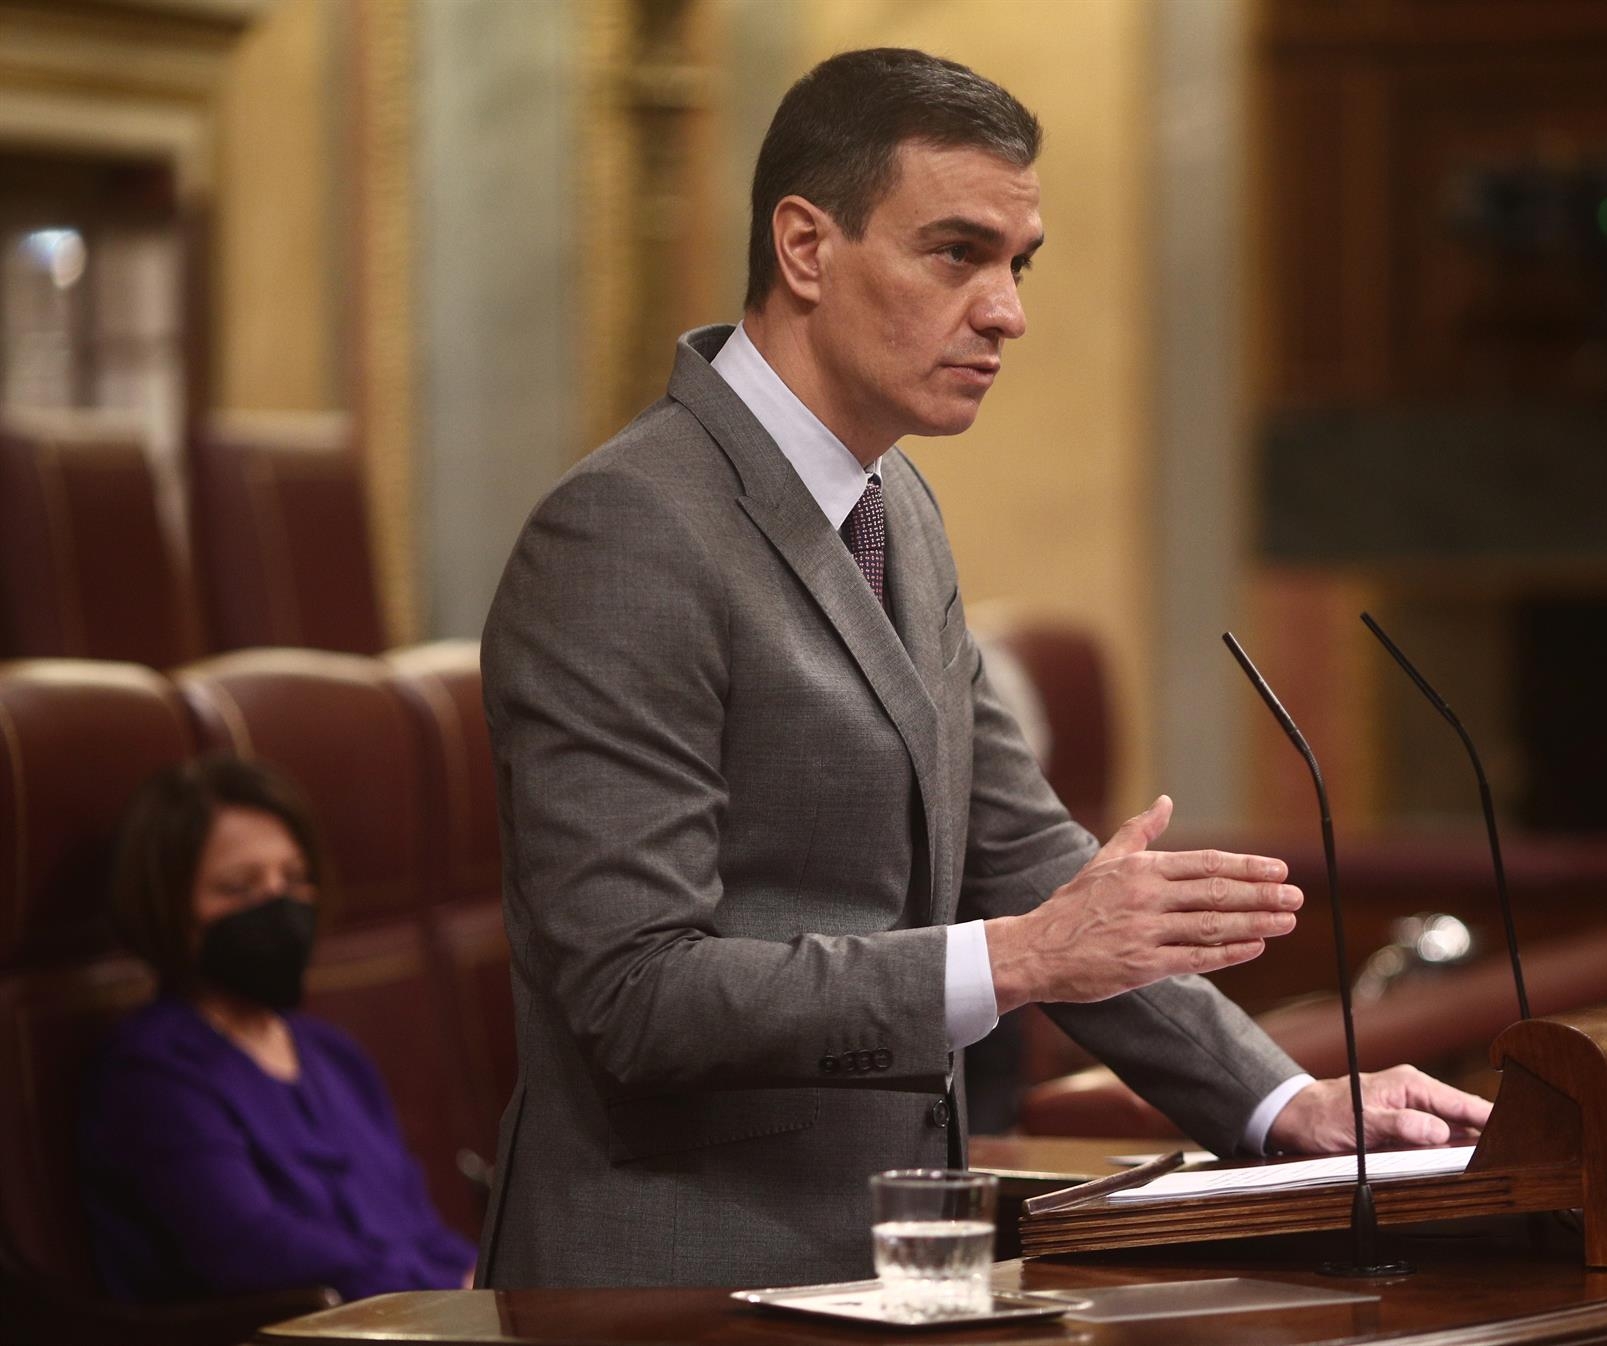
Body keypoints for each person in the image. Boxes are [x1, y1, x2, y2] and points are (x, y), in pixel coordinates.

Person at [478, 46, 1488, 1289]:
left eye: (1019, 265)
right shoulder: (627, 529)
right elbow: (635, 992)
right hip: (675, 1283)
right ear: (805, 247)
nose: (1006, 308)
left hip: (887, 1267)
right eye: (956, 253)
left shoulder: (896, 502)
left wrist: (1282, 1105)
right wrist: (1016, 958)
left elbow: (1023, 855)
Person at [80, 757, 475, 1303]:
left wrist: (487, 1285)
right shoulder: (150, 1071)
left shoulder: (334, 1055)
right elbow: (248, 1247)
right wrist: (439, 1296)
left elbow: (420, 1229)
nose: (278, 905)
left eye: (293, 879)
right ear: (169, 911)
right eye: (240, 888)